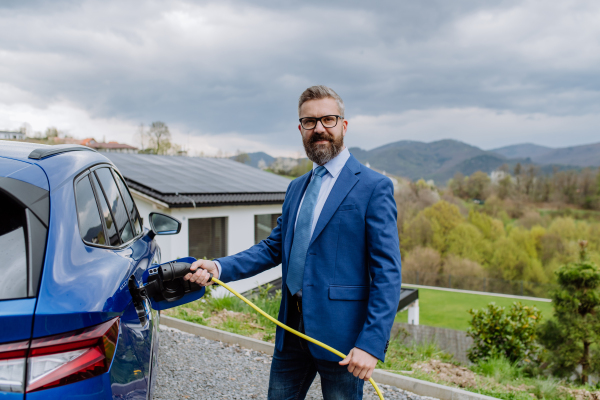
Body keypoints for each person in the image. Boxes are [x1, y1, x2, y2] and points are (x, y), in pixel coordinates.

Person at [184, 85, 402, 400]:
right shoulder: (296, 188)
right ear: (300, 129)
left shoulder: (373, 187)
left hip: (342, 340)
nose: (319, 129)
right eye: (310, 122)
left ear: (344, 124)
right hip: (291, 330)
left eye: (328, 119)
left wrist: (370, 344)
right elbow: (273, 248)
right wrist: (218, 267)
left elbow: (388, 273)